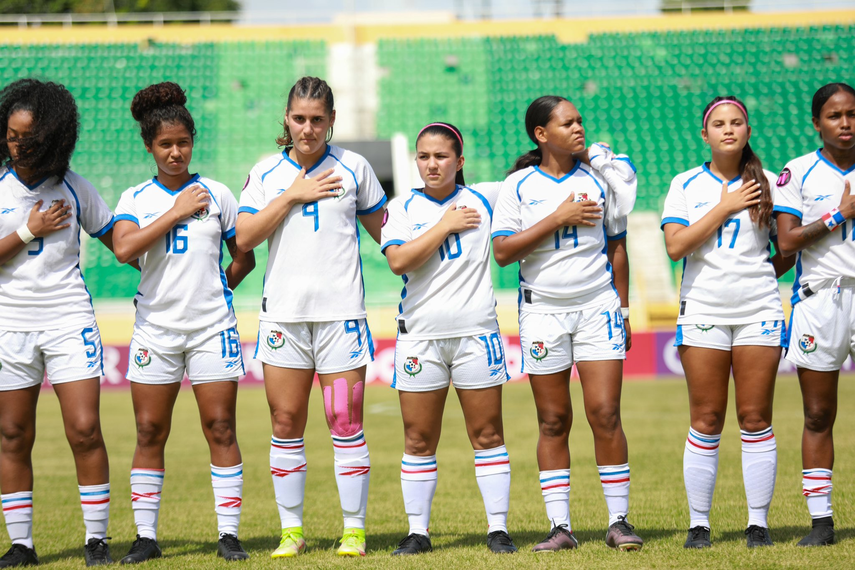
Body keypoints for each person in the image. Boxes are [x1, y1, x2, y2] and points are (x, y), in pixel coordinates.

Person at [235, 76, 386, 558]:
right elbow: (243, 238)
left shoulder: (355, 167)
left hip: (341, 318)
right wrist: (292, 195)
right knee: (285, 421)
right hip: (284, 321)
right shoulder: (265, 174)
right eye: (299, 118)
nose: (308, 128)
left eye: (317, 119)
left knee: (345, 419)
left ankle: (354, 531)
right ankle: (291, 532)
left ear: (331, 120)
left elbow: (389, 234)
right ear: (286, 118)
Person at [111, 82, 256, 563]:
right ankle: (146, 537)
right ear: (148, 146)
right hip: (156, 330)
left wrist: (217, 291)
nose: (176, 152)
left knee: (220, 427)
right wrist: (174, 212)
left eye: (183, 142)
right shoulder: (135, 197)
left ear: (193, 140)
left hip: (213, 329)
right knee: (150, 431)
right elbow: (125, 248)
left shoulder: (217, 193)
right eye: (165, 144)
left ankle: (228, 535)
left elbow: (244, 258)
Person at [491, 95, 641, 552]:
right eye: (567, 123)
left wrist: (624, 308)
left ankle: (619, 522)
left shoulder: (600, 180)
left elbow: (617, 247)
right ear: (541, 134)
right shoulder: (517, 186)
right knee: (553, 420)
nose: (579, 129)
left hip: (598, 307)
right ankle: (561, 527)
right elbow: (503, 252)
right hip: (542, 312)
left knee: (605, 414)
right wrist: (557, 218)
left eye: (580, 121)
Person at [661, 95, 793, 549]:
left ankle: (758, 523)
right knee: (707, 417)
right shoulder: (685, 184)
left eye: (737, 122)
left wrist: (753, 278)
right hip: (702, 311)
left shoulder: (772, 183)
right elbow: (676, 247)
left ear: (748, 131)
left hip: (759, 310)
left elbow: (788, 249)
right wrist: (725, 205)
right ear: (706, 134)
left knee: (755, 417)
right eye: (719, 124)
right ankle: (700, 523)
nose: (729, 129)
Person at [380, 122, 516, 556]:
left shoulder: (486, 197)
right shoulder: (401, 208)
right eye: (423, 156)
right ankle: (417, 532)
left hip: (477, 335)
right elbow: (399, 261)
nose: (431, 164)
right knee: (419, 438)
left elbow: (534, 172)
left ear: (459, 162)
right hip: (420, 338)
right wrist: (445, 225)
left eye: (441, 156)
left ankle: (498, 529)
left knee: (488, 433)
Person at [0, 79, 116, 567]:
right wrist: (31, 228)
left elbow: (120, 240)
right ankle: (21, 545)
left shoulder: (74, 185)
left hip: (69, 318)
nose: (18, 144)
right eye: (11, 134)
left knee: (85, 428)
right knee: (11, 434)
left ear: (52, 138)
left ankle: (97, 540)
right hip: (9, 323)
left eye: (28, 137)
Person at [774, 82, 855, 547]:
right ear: (817, 123)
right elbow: (785, 242)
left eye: (851, 114)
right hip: (822, 299)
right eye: (834, 115)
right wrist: (837, 215)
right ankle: (821, 522)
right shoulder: (799, 171)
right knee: (819, 412)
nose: (844, 124)